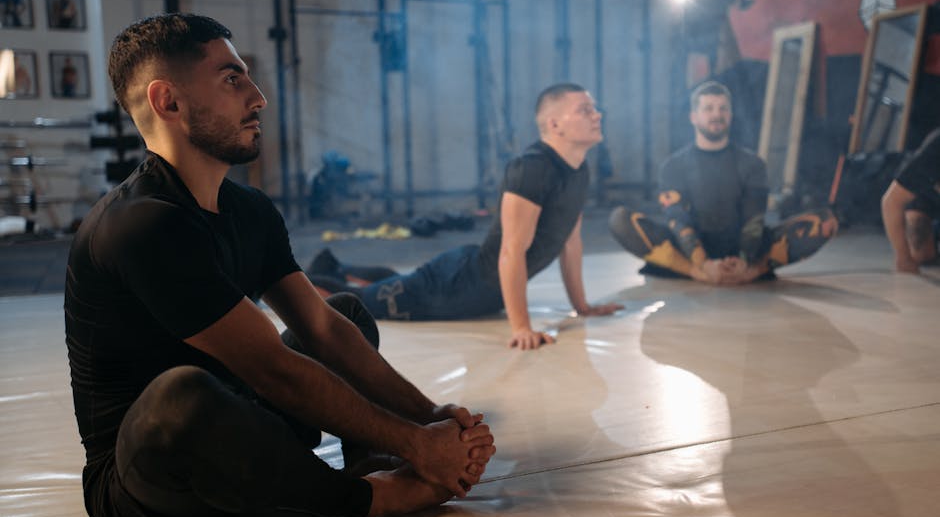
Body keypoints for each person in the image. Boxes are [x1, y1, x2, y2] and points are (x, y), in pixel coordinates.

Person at [64, 13, 495, 517]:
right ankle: (371, 499)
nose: (258, 96)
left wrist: (427, 418)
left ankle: (377, 462)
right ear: (168, 102)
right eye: (232, 79)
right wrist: (421, 443)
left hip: (244, 427)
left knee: (346, 313)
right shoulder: (140, 223)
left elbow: (321, 328)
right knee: (184, 397)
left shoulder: (249, 209)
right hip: (156, 480)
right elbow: (271, 367)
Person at [308, 83, 622, 350]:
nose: (597, 115)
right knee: (358, 301)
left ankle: (338, 265)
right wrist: (521, 327)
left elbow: (570, 241)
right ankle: (291, 283)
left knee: (400, 283)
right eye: (584, 110)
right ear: (554, 125)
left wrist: (582, 307)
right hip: (453, 288)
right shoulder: (532, 168)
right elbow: (512, 251)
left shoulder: (579, 169)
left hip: (473, 282)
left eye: (594, 109)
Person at [608, 80, 837, 284]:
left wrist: (745, 260)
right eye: (708, 108)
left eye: (723, 108)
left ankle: (753, 272)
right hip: (689, 250)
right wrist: (702, 264)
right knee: (619, 220)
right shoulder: (673, 166)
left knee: (826, 222)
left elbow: (754, 219)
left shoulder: (753, 164)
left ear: (730, 115)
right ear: (694, 117)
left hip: (744, 246)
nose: (716, 115)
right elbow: (678, 219)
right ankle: (694, 273)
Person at [881, 127, 940, 273]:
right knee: (921, 253)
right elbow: (891, 202)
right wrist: (904, 258)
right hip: (925, 199)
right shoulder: (934, 150)